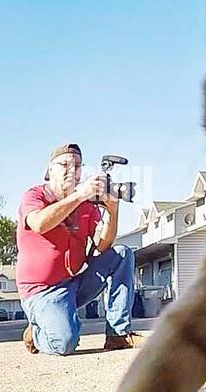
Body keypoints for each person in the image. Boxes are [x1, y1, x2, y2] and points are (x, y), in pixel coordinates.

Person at [17, 143, 137, 355]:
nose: (72, 170)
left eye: (78, 165)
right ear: (49, 170)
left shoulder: (87, 205)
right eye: (64, 164)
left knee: (121, 254)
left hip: (75, 282)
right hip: (42, 292)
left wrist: (113, 211)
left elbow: (103, 245)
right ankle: (35, 333)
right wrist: (79, 196)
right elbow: (39, 224)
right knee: (64, 343)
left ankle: (118, 335)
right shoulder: (34, 196)